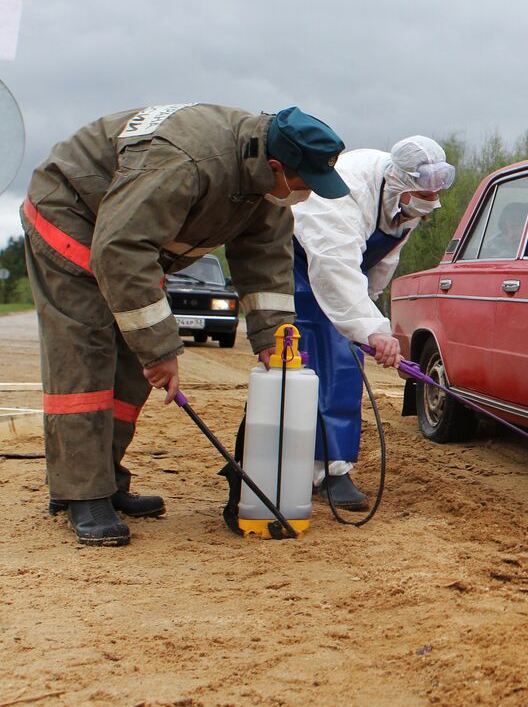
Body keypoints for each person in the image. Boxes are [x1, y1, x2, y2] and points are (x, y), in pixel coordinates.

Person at [22, 104, 350, 546]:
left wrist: (273, 340)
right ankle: (81, 494)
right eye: (304, 183)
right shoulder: (187, 161)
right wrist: (160, 349)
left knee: (129, 373)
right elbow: (119, 249)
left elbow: (266, 261)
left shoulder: (266, 187)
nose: (306, 194)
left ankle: (108, 480)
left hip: (126, 236)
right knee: (86, 355)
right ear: (276, 165)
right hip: (74, 215)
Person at [291, 136, 456, 509]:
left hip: (347, 273)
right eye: (417, 204)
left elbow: (383, 259)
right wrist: (373, 328)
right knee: (306, 362)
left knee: (346, 364)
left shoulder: (408, 202)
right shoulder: (343, 192)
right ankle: (297, 466)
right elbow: (335, 266)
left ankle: (334, 469)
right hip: (300, 264)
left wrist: (370, 312)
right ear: (399, 184)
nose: (421, 213)